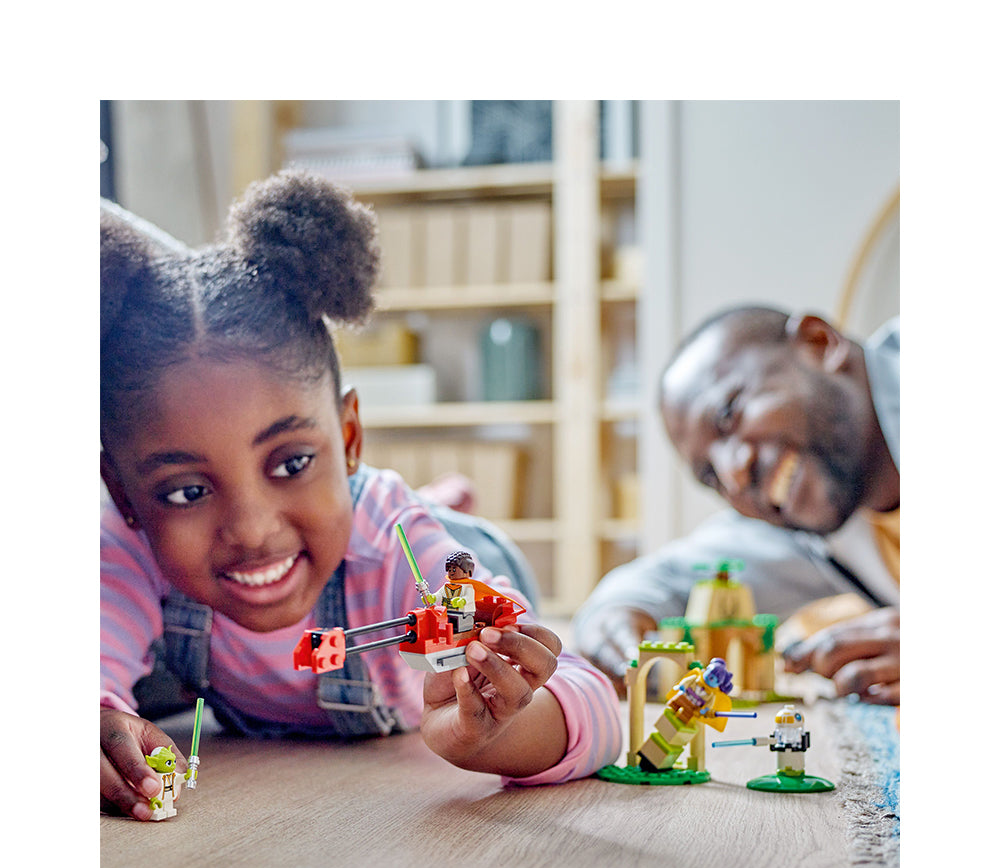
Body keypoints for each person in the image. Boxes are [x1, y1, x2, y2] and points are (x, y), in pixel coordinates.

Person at [101, 169, 621, 821]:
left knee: (437, 546)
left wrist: (495, 734)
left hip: (430, 552)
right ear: (121, 491)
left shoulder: (395, 544)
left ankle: (446, 507)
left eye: (291, 462)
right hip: (368, 541)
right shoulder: (125, 545)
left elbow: (598, 708)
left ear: (349, 437)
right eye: (187, 491)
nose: (252, 528)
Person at [573, 305, 899, 705]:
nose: (734, 477)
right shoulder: (817, 515)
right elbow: (662, 581)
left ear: (819, 344)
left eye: (729, 414)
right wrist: (611, 622)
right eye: (710, 476)